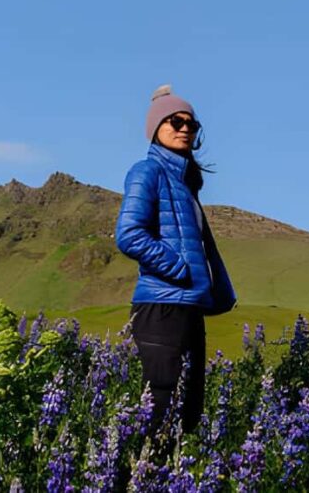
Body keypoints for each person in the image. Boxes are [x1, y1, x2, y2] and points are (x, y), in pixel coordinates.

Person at [115, 84, 237, 438]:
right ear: (156, 128)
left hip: (189, 307)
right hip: (161, 307)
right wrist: (178, 269)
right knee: (162, 409)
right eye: (175, 121)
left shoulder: (185, 184)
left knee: (189, 412)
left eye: (191, 124)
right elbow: (129, 234)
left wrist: (216, 291)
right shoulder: (147, 172)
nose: (185, 128)